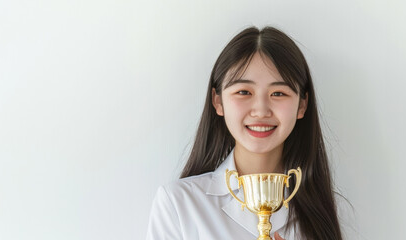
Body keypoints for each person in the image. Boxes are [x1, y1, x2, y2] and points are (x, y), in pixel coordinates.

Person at [146, 26, 355, 240]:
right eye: (243, 92)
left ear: (302, 105)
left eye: (278, 93)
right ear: (218, 101)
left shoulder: (326, 210)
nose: (261, 110)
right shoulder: (179, 204)